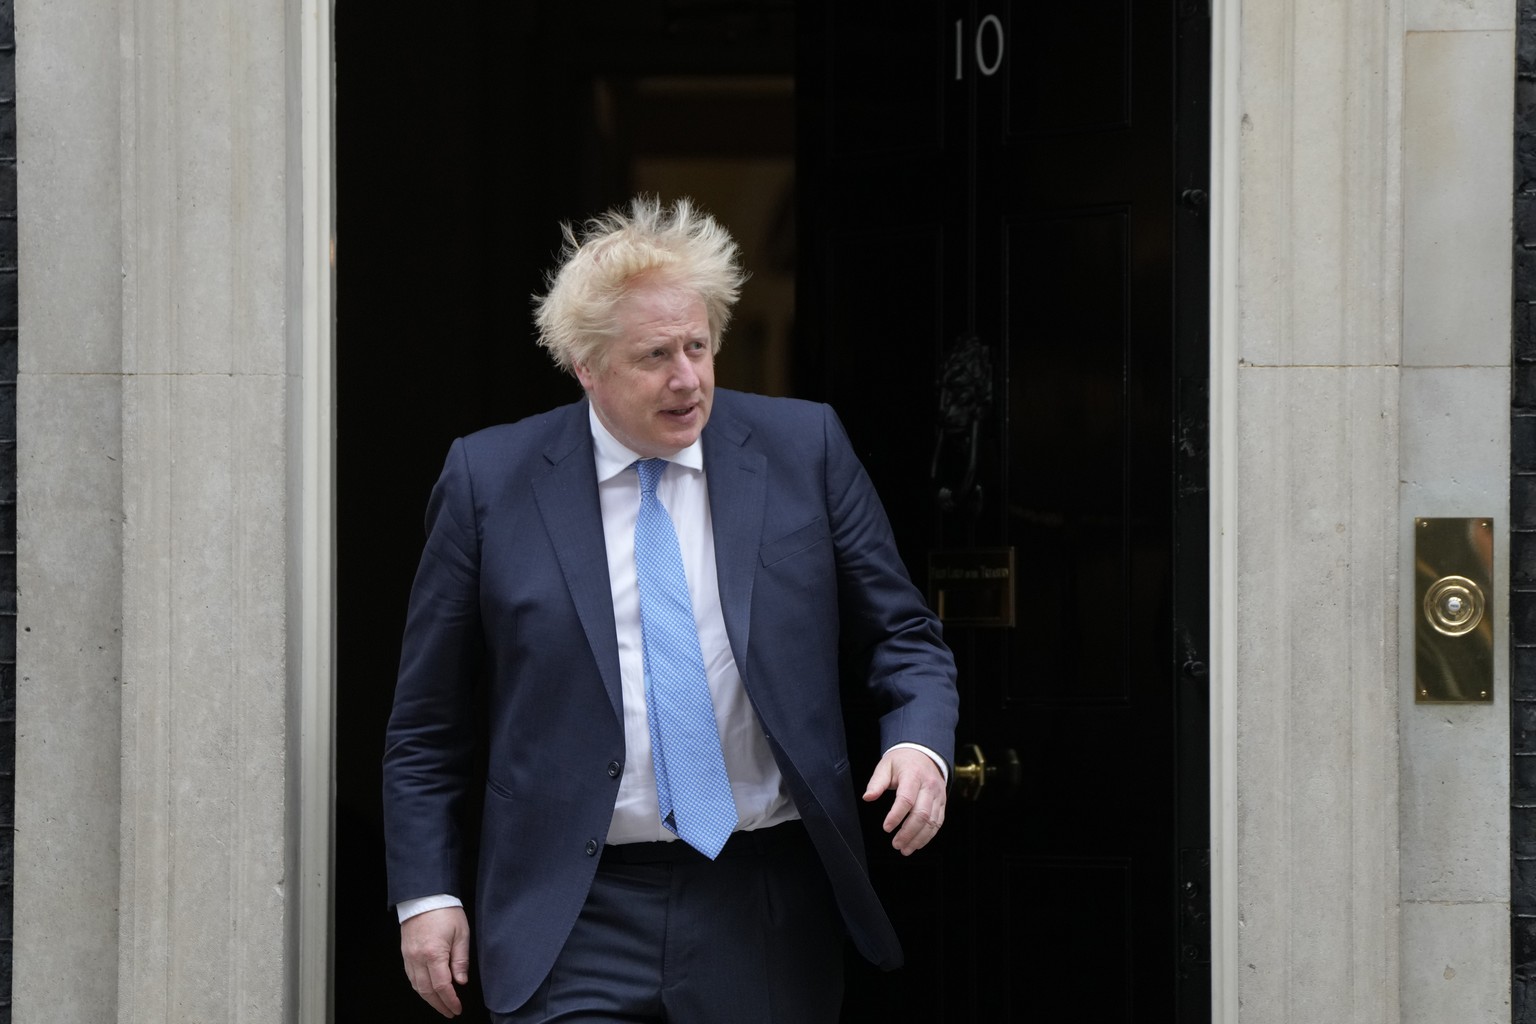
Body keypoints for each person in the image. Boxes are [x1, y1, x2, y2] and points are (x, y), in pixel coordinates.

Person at [382, 195, 959, 1023]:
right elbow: (427, 724)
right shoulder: (489, 481)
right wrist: (425, 893)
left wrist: (918, 742)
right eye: (655, 356)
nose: (687, 378)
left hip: (762, 898)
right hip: (570, 907)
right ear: (586, 366)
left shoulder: (805, 449)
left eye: (698, 345)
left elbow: (904, 635)